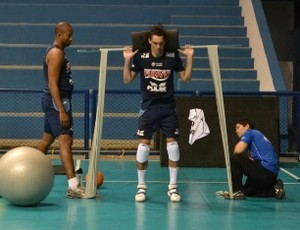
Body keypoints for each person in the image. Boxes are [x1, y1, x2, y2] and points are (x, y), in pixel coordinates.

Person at [123, 24, 194, 202]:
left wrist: (190, 58)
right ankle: (141, 187)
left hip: (168, 108)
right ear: (149, 42)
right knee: (143, 148)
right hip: (148, 108)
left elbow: (185, 78)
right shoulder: (141, 57)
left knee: (173, 147)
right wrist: (126, 60)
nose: (159, 46)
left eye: (161, 43)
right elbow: (127, 79)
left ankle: (173, 187)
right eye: (155, 43)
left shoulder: (172, 57)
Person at [37, 22, 84, 199]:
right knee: (66, 140)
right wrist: (62, 110)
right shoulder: (56, 53)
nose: (71, 38)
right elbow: (52, 84)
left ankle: (21, 171)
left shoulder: (59, 52)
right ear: (59, 35)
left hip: (59, 101)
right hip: (57, 102)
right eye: (68, 35)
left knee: (46, 140)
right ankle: (73, 186)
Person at [230, 119, 285, 199]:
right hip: (272, 174)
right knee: (248, 191)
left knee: (235, 158)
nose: (236, 131)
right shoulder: (259, 137)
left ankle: (237, 191)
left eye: (238, 127)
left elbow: (237, 150)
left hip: (264, 168)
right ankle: (274, 188)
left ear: (247, 126)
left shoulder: (250, 132)